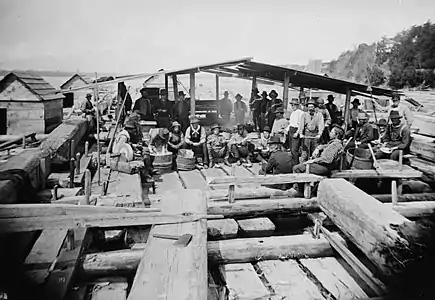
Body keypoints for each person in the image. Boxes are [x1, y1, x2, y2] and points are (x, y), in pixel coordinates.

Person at [293, 126, 345, 194]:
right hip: (324, 165)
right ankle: (308, 190)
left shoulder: (335, 145)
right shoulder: (334, 143)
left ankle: (301, 192)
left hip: (324, 167)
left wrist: (314, 160)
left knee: (297, 168)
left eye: (332, 132)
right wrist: (319, 148)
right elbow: (326, 146)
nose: (330, 133)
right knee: (302, 166)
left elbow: (327, 159)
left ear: (337, 135)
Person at [286, 98, 304, 166]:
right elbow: (291, 123)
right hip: (291, 130)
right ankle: (293, 164)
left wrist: (297, 132)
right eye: (292, 105)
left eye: (294, 105)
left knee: (294, 150)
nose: (293, 106)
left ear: (297, 105)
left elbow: (300, 124)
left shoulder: (300, 112)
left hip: (295, 130)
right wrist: (286, 130)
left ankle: (296, 165)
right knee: (291, 149)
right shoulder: (292, 113)